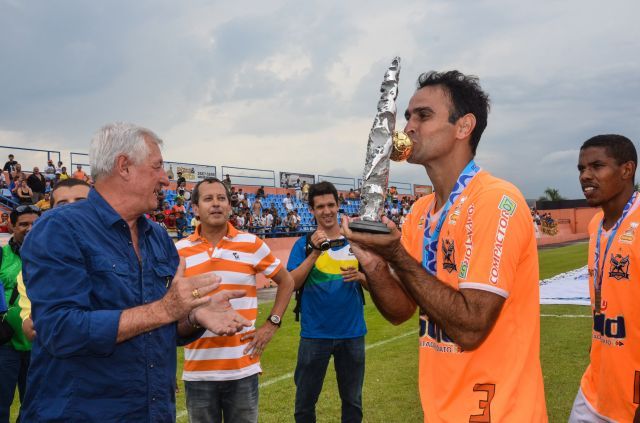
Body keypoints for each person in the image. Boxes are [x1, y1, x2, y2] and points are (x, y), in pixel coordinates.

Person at [342, 70, 547, 421]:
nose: (408, 127)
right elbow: (400, 311)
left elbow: (471, 327)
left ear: (463, 127)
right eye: (408, 116)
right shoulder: (420, 211)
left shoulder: (495, 200)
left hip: (499, 411)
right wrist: (374, 264)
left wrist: (396, 255)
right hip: (440, 409)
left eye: (423, 115)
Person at [20, 122, 252, 422]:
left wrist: (193, 316)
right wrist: (166, 309)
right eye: (157, 167)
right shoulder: (59, 229)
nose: (166, 179)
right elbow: (59, 330)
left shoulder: (157, 237)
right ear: (124, 167)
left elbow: (161, 328)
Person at [175, 177, 294, 423]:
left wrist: (271, 324)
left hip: (242, 368)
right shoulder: (179, 251)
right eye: (208, 199)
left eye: (221, 198)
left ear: (230, 206)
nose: (216, 204)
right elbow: (170, 308)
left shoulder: (251, 244)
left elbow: (287, 281)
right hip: (198, 371)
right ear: (195, 208)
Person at [570, 134, 640, 422]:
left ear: (626, 170)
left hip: (632, 396)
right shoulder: (596, 224)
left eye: (597, 166)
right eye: (581, 169)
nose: (586, 175)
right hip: (595, 387)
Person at [287, 181, 368, 423]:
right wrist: (314, 252)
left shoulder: (356, 241)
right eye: (320, 206)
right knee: (305, 403)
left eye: (331, 204)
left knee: (353, 402)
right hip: (315, 334)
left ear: (339, 205)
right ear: (311, 210)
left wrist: (362, 276)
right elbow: (291, 283)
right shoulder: (302, 244)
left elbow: (377, 283)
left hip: (352, 333)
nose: (327, 211)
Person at [19, 178, 92, 342]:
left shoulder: (119, 246)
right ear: (51, 210)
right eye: (62, 204)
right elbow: (32, 313)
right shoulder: (37, 258)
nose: (72, 207)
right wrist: (27, 320)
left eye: (81, 201)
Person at [0, 204, 41, 423]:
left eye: (35, 223)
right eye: (23, 224)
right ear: (11, 226)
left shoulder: (53, 257)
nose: (30, 228)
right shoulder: (1, 255)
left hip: (39, 346)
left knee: (34, 406)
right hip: (5, 345)